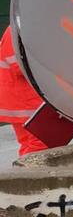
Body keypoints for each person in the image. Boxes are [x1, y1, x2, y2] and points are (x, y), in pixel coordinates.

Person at [0, 26, 49, 157]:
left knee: (29, 144)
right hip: (25, 102)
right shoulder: (18, 28)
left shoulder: (18, 26)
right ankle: (31, 174)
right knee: (40, 145)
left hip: (19, 101)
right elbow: (18, 65)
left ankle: (24, 173)